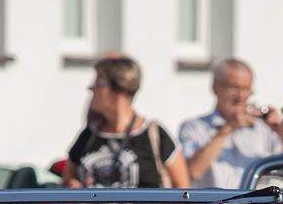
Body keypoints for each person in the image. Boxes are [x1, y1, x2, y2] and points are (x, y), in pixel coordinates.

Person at [61, 55, 189, 189]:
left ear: (120, 90)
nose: (91, 88)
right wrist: (73, 187)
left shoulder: (154, 135)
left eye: (98, 83)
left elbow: (183, 191)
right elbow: (65, 183)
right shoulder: (88, 135)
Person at [178, 58, 283, 188]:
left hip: (255, 202)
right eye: (235, 88)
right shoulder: (194, 127)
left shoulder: (265, 130)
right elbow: (192, 172)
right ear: (215, 87)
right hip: (214, 202)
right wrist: (228, 128)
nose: (241, 96)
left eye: (247, 89)